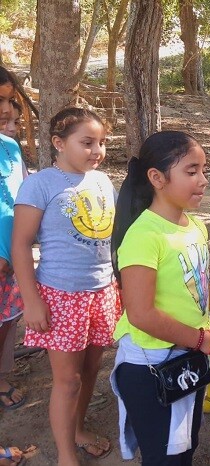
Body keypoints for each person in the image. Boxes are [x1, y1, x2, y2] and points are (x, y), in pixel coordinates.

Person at [110, 131, 210, 465]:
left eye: (203, 170)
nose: (203, 180)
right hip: (153, 366)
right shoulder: (144, 236)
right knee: (164, 456)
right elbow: (141, 314)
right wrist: (202, 339)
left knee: (185, 445)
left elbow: (199, 281)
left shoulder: (194, 226)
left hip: (186, 358)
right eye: (191, 171)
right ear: (157, 178)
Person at [12, 107, 121, 465]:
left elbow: (111, 240)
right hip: (60, 297)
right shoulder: (40, 183)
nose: (97, 150)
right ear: (59, 143)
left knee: (90, 371)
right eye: (87, 142)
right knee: (67, 380)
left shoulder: (103, 182)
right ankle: (64, 454)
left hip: (101, 292)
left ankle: (77, 429)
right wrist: (31, 300)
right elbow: (21, 244)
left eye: (102, 143)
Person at [0, 67, 25, 414]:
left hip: (12, 259)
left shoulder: (9, 147)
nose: (6, 110)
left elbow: (18, 198)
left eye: (9, 100)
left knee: (6, 320)